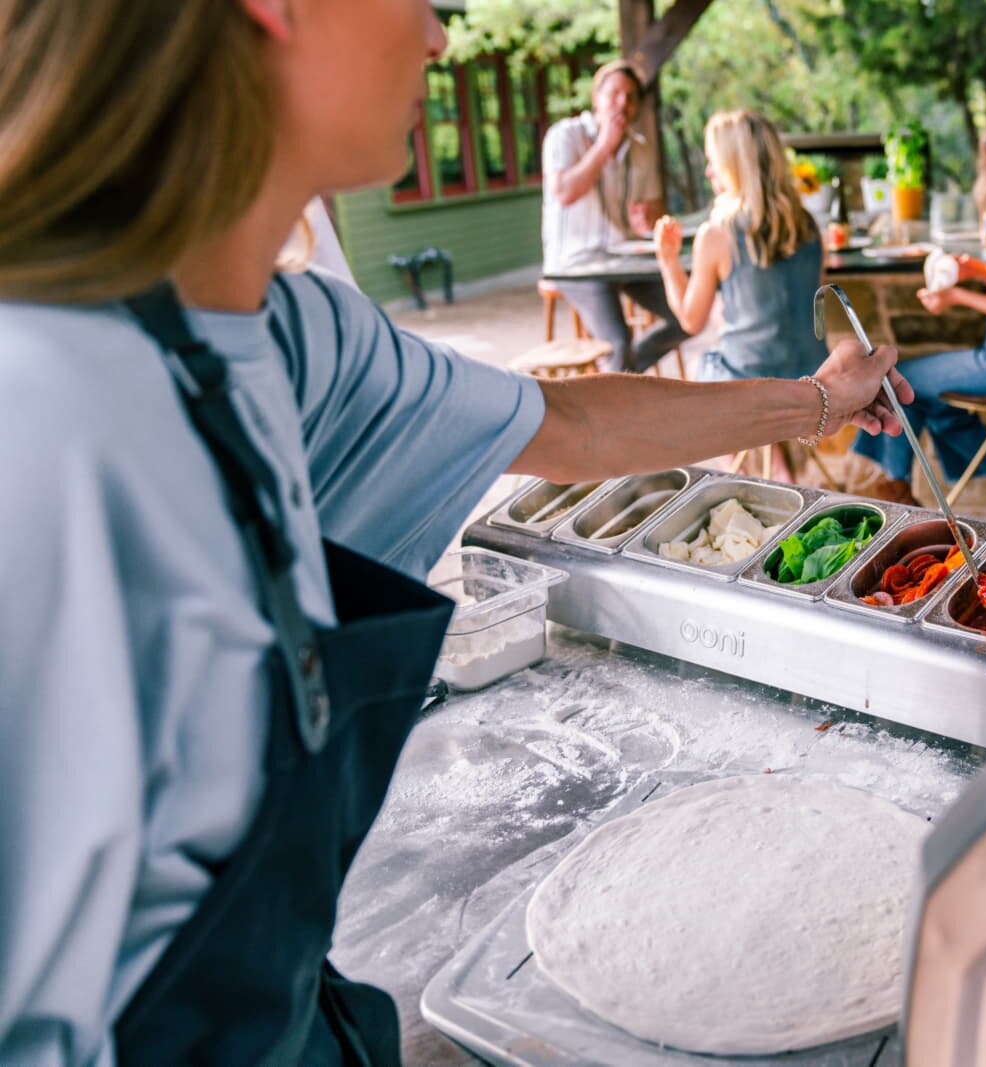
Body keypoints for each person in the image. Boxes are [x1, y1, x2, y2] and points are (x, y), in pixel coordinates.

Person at [0, 3, 910, 1064]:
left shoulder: (301, 337)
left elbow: (567, 420)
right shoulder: (46, 410)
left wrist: (815, 398)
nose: (437, 37)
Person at [852, 98, 986, 507]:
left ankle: (894, 492)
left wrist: (957, 296)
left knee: (899, 381)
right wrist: (977, 270)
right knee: (928, 396)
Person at [653, 109, 827, 383]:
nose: (709, 171)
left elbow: (691, 321)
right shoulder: (808, 226)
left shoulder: (717, 234)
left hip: (748, 383)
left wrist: (667, 260)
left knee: (694, 370)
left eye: (714, 161)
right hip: (811, 380)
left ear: (734, 165)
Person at [541, 59, 689, 373]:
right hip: (576, 262)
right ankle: (621, 379)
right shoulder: (565, 135)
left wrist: (647, 220)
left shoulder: (640, 148)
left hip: (624, 256)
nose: (623, 102)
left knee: (689, 314)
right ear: (597, 97)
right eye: (615, 94)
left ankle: (625, 374)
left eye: (631, 96)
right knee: (617, 342)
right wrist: (605, 144)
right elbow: (565, 193)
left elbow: (650, 210)